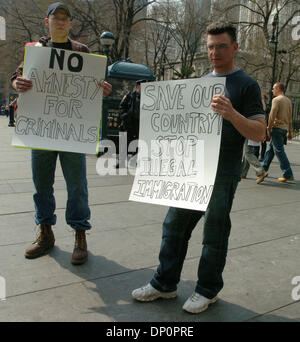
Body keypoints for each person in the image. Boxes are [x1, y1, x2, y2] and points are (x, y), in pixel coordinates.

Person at [131, 22, 266, 314]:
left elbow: (259, 132)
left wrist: (231, 114)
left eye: (221, 46)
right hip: (191, 169)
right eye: (210, 46)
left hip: (222, 171)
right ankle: (164, 284)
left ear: (235, 48)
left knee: (214, 231)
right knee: (173, 226)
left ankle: (207, 290)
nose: (214, 52)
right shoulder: (198, 83)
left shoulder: (247, 84)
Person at [11, 2, 112, 265]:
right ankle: (45, 232)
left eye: (65, 18)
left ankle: (80, 234)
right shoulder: (35, 51)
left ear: (70, 24)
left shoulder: (82, 50)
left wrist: (102, 89)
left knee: (77, 185)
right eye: (55, 17)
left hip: (73, 133)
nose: (60, 22)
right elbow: (18, 76)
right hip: (41, 131)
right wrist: (16, 82)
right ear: (47, 22)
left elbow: (93, 85)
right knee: (41, 184)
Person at [261, 82, 294, 183]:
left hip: (276, 128)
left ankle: (288, 173)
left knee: (279, 151)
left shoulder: (276, 100)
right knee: (270, 150)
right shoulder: (288, 101)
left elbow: (272, 115)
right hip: (283, 129)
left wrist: (268, 128)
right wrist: (290, 131)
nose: (272, 90)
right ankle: (262, 170)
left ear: (279, 89)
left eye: (274, 88)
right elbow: (290, 117)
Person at [116, 79, 147, 168]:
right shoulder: (129, 96)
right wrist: (125, 116)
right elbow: (121, 107)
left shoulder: (148, 98)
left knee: (138, 143)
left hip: (139, 124)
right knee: (124, 143)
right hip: (129, 123)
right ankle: (121, 161)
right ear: (137, 87)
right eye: (141, 87)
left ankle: (135, 160)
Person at [259, 93, 270, 161]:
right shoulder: (258, 106)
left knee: (263, 142)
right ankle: (256, 154)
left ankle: (262, 156)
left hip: (264, 126)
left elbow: (265, 109)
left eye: (263, 98)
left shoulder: (268, 106)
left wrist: (263, 101)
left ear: (265, 99)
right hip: (259, 125)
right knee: (256, 141)